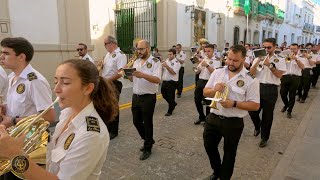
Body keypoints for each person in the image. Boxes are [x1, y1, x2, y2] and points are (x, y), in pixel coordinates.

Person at [0, 59, 118, 180]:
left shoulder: (91, 134)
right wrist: (20, 139)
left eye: (65, 83)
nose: (56, 89)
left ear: (87, 88)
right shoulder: (67, 113)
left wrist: (14, 154)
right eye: (56, 81)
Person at [203, 45, 260, 180]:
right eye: (229, 59)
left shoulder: (251, 79)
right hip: (213, 118)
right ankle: (217, 171)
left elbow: (255, 105)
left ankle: (224, 177)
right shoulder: (217, 72)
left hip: (233, 122)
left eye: (235, 60)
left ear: (243, 59)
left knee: (229, 153)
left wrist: (234, 103)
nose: (230, 63)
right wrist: (213, 90)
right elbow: (205, 92)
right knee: (209, 146)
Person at [249, 38, 286, 148]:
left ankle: (264, 138)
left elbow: (279, 75)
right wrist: (256, 63)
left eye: (269, 47)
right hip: (257, 87)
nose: (266, 49)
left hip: (271, 89)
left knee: (267, 115)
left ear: (275, 47)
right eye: (264, 47)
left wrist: (269, 65)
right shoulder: (257, 57)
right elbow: (251, 74)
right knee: (252, 111)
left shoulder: (280, 59)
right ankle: (257, 126)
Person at [128, 39, 161, 160]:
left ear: (148, 49)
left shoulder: (155, 62)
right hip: (136, 96)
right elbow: (133, 79)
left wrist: (142, 75)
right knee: (136, 121)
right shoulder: (136, 62)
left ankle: (148, 148)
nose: (139, 51)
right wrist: (129, 76)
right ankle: (149, 139)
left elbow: (157, 80)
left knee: (147, 123)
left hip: (148, 97)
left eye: (141, 49)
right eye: (138, 49)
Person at [101, 35, 127, 139]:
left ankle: (114, 131)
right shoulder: (108, 54)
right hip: (106, 82)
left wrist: (108, 80)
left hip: (114, 83)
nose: (104, 46)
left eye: (105, 44)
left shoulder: (120, 55)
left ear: (111, 43)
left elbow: (121, 72)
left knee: (113, 107)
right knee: (106, 106)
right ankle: (107, 128)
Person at [194, 44, 221, 125]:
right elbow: (197, 72)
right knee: (197, 100)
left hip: (209, 83)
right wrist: (199, 67)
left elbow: (215, 73)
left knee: (208, 102)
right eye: (205, 51)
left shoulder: (216, 61)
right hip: (200, 81)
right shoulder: (204, 59)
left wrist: (207, 65)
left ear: (213, 51)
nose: (207, 53)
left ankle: (207, 119)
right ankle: (201, 116)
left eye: (209, 51)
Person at [280, 44, 304, 119]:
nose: (293, 50)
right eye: (291, 49)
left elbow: (302, 67)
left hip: (295, 77)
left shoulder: (301, 56)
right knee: (282, 93)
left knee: (292, 95)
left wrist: (296, 59)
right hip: (285, 76)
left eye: (294, 49)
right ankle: (286, 105)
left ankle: (289, 111)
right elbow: (283, 65)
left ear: (298, 49)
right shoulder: (286, 56)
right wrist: (287, 57)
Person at [161, 48, 181, 116]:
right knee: (163, 94)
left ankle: (170, 111)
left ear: (174, 54)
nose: (169, 56)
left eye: (171, 54)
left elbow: (173, 72)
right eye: (168, 54)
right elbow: (163, 70)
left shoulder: (176, 63)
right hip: (165, 81)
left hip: (172, 82)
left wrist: (166, 66)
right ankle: (173, 103)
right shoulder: (167, 60)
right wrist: (162, 65)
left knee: (171, 96)